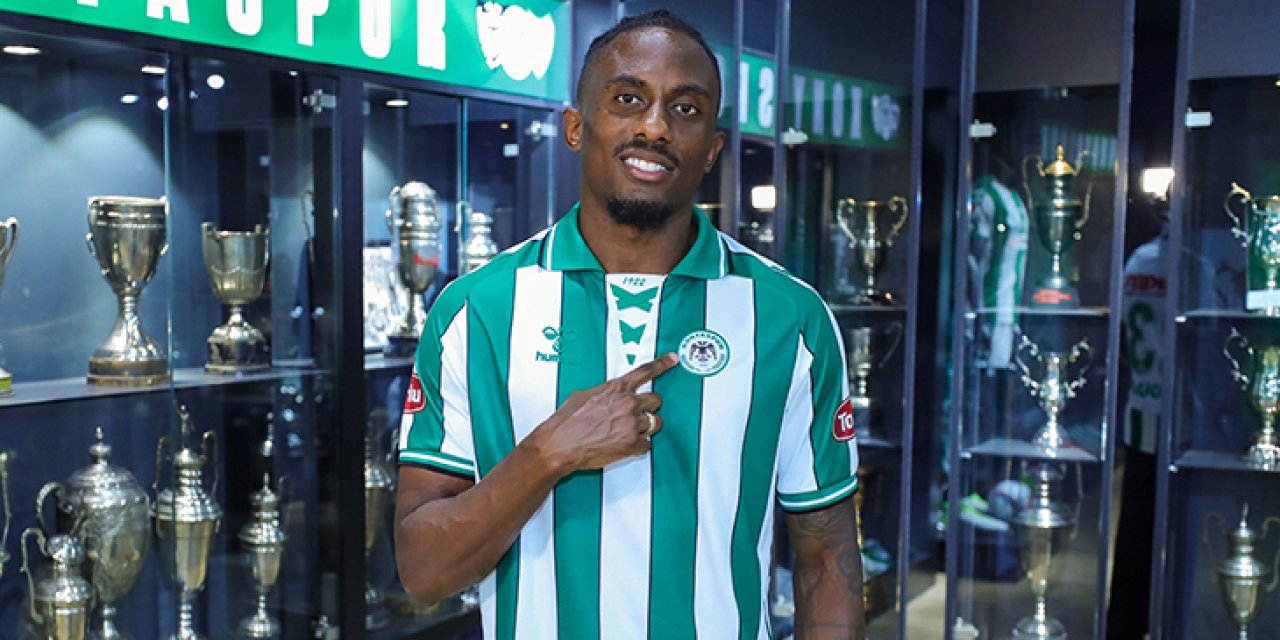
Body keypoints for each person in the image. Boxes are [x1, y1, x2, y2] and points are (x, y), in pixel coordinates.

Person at [393, 10, 865, 639]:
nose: (655, 126)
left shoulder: (789, 316)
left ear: (713, 147)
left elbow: (826, 558)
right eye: (627, 99)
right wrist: (547, 453)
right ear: (575, 127)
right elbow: (422, 571)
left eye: (686, 109)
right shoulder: (475, 310)